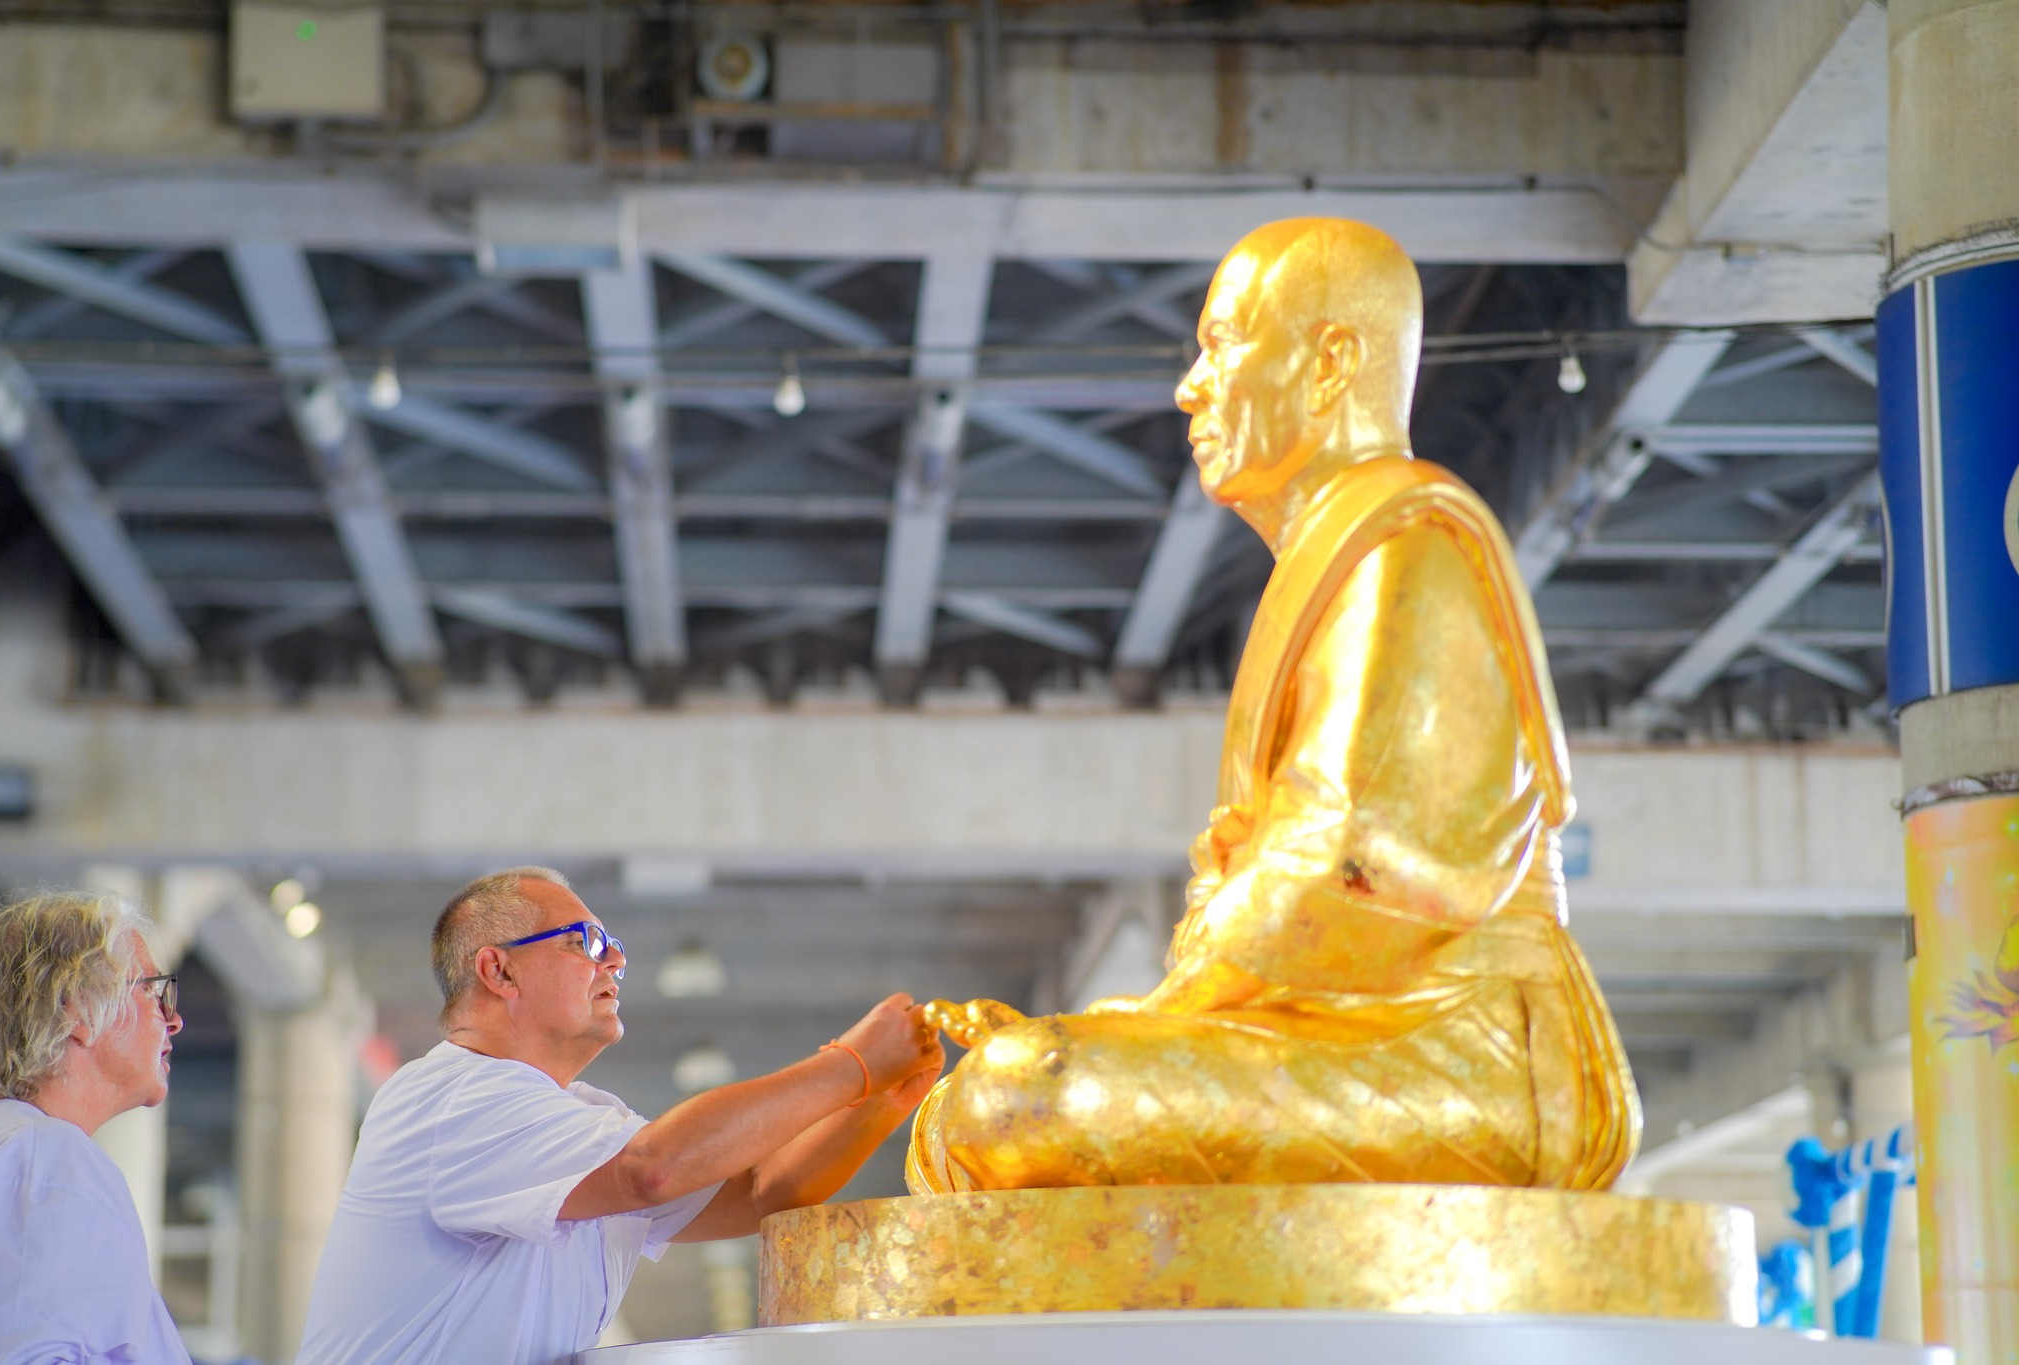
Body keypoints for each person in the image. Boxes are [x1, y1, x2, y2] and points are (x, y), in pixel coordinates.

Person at [908, 218, 1638, 1193]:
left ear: (1330, 361)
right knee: (995, 1098)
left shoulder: (1403, 547)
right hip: (1352, 1031)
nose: (1189, 387)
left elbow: (1342, 860)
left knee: (1021, 1097)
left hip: (1463, 1054)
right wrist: (1157, 1017)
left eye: (1219, 345)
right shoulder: (1342, 557)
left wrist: (1159, 1012)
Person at [298, 866, 943, 1365]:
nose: (615, 962)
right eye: (587, 942)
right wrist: (848, 1064)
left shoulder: (572, 1117)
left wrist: (876, 1100)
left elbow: (758, 1193)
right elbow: (654, 1170)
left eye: (614, 946)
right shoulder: (452, 1099)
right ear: (498, 970)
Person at [0, 891, 190, 1365]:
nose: (173, 1021)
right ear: (80, 1008)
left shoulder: (1, 1146)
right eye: (154, 991)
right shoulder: (44, 1162)